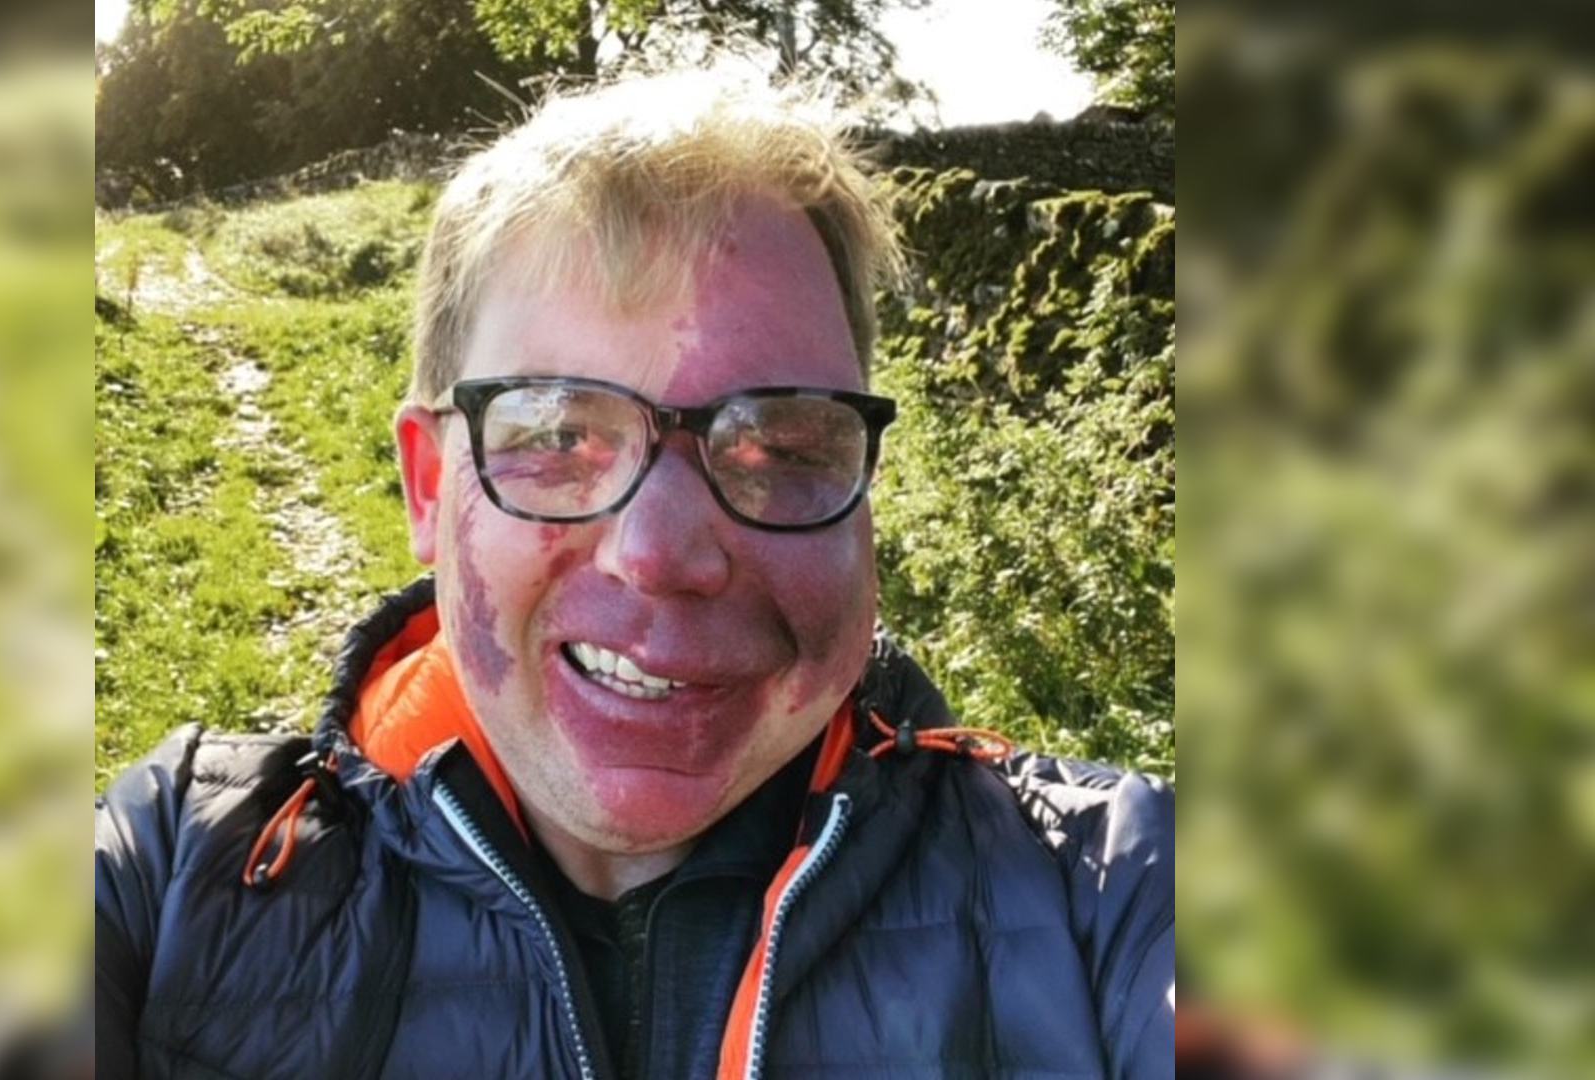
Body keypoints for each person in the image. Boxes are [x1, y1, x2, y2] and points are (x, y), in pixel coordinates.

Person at [96, 71, 1173, 1080]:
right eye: (557, 435)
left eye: (785, 447)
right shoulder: (170, 880)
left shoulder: (1105, 889)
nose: (662, 554)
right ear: (430, 489)